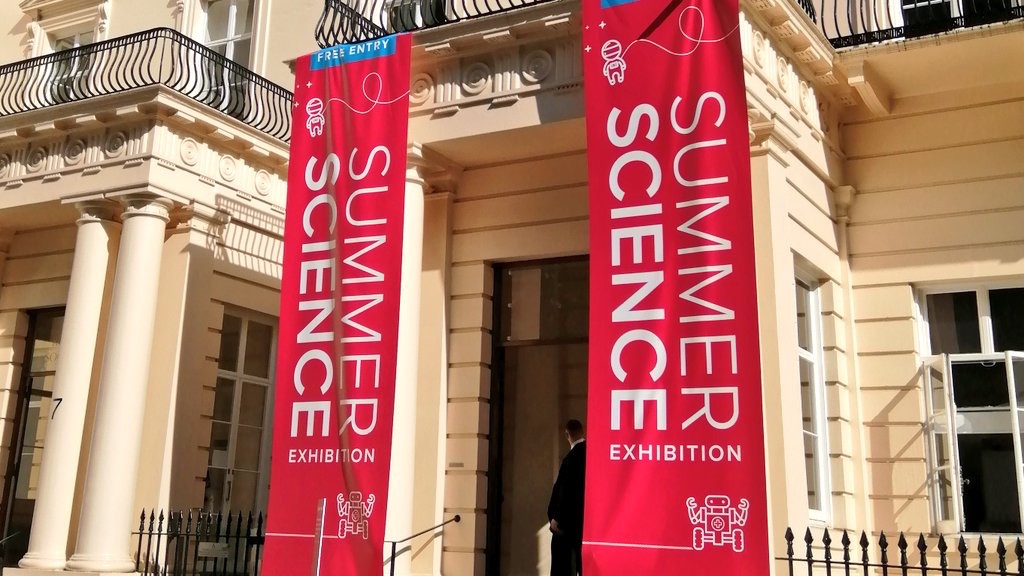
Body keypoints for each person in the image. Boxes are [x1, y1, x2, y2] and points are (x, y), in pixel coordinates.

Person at [548, 419, 586, 576]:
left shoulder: (572, 457)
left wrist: (557, 517)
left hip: (567, 524)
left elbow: (566, 490)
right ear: (582, 431)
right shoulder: (589, 453)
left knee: (562, 564)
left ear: (567, 434)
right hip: (581, 521)